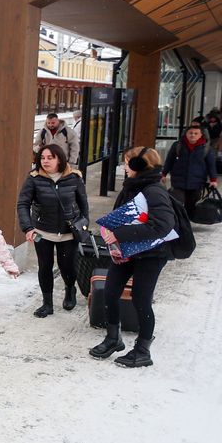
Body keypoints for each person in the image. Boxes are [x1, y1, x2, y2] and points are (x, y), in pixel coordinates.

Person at [90, 147, 176, 367]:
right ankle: (113, 338)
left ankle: (142, 349)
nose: (125, 167)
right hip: (128, 252)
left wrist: (118, 234)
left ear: (140, 165)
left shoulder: (154, 190)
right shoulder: (131, 187)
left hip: (152, 255)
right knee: (110, 292)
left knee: (141, 298)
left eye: (128, 163)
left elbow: (163, 225)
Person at [17, 143, 89, 317]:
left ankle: (70, 290)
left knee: (67, 266)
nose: (45, 161)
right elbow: (23, 204)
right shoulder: (34, 178)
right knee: (45, 267)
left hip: (68, 232)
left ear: (59, 159)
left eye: (50, 157)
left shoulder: (74, 177)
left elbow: (83, 205)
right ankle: (47, 303)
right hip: (42, 232)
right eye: (42, 158)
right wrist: (28, 227)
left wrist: (83, 224)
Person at [160, 124, 217, 220]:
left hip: (197, 182)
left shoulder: (206, 148)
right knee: (176, 201)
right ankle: (175, 220)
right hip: (178, 180)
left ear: (201, 135)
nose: (193, 135)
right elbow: (169, 160)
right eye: (190, 133)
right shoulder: (178, 145)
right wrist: (164, 174)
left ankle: (187, 222)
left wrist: (213, 179)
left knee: (191, 204)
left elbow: (211, 165)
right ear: (185, 134)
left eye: (196, 133)